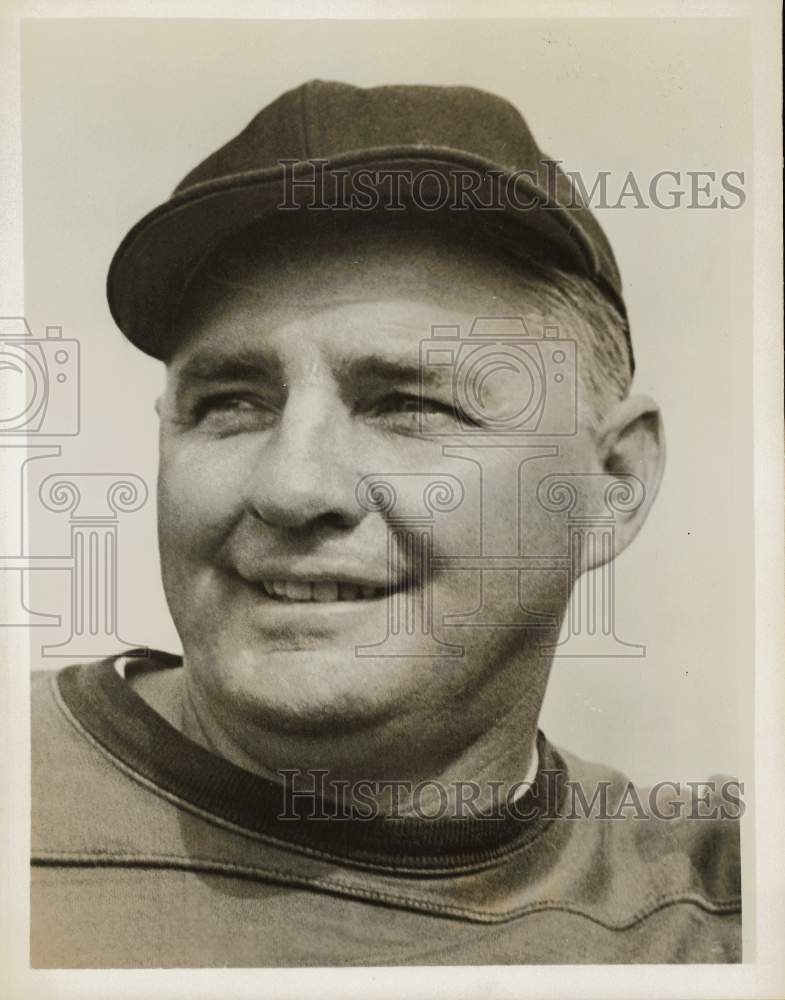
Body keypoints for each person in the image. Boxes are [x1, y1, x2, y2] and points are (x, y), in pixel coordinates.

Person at [31, 80, 741, 967]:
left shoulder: (715, 913)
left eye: (407, 404)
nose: (293, 488)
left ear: (611, 486)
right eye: (231, 404)